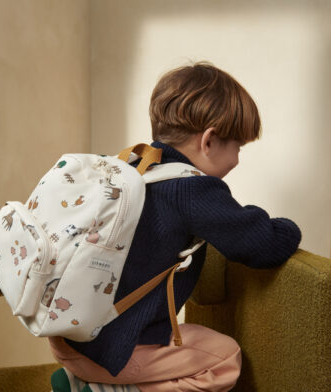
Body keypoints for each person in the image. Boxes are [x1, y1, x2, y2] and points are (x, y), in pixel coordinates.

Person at [48, 61, 302, 392]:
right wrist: (290, 227)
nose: (237, 160)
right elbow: (261, 244)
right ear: (208, 141)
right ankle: (105, 389)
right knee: (225, 359)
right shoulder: (191, 189)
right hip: (111, 354)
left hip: (66, 336)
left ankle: (75, 380)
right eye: (237, 147)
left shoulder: (132, 167)